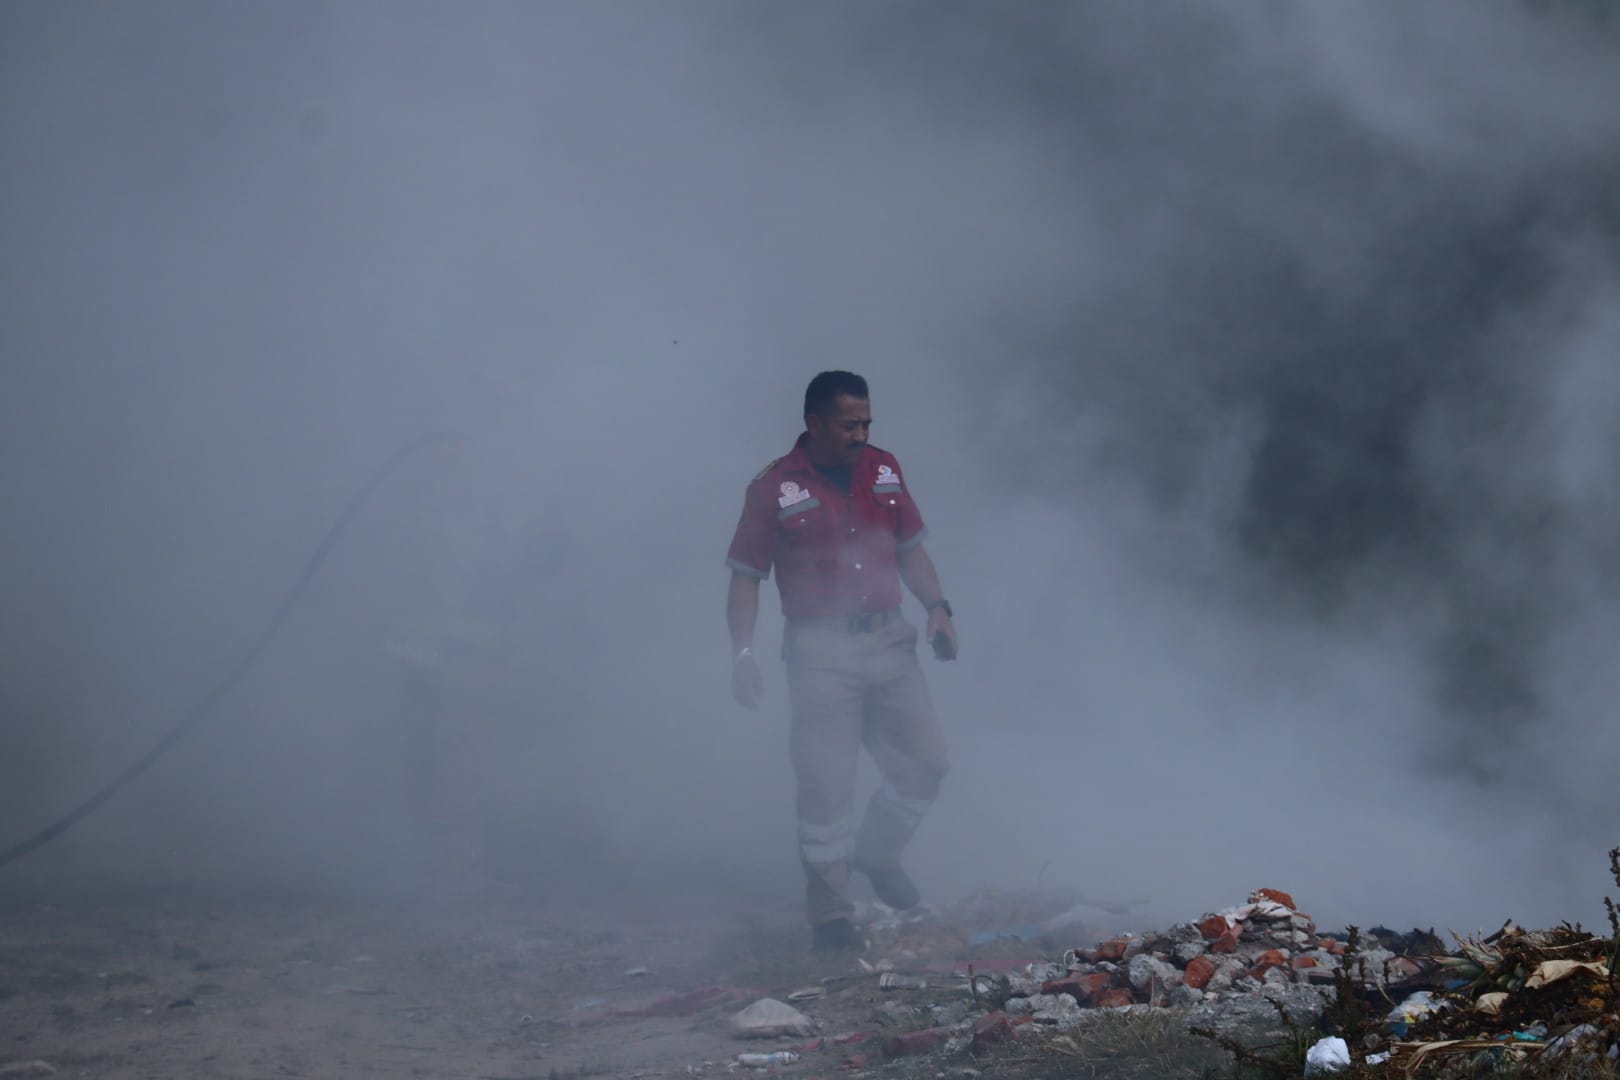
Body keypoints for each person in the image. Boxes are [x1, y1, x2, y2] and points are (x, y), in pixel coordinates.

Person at [724, 371, 957, 952]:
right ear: (815, 424)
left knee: (926, 762)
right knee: (826, 788)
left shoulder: (883, 468)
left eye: (867, 423)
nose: (861, 433)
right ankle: (831, 917)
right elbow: (746, 578)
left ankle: (878, 853)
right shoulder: (773, 488)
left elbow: (911, 550)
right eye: (850, 424)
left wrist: (938, 607)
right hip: (818, 651)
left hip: (889, 640)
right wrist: (743, 653)